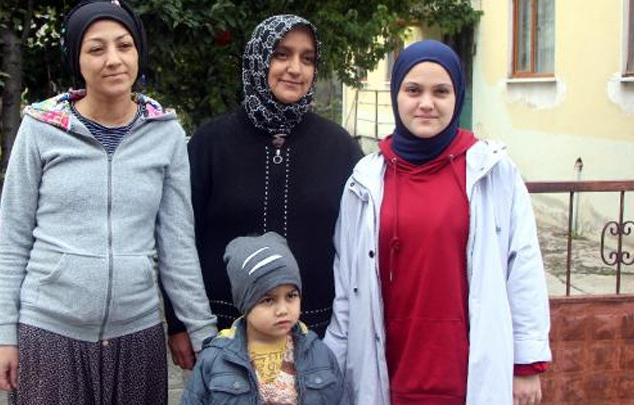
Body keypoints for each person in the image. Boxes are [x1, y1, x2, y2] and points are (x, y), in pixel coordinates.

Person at [0, 1, 216, 404]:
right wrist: (4, 335)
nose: (113, 60)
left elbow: (178, 246)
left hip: (137, 336)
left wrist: (203, 334)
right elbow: (14, 240)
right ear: (77, 59)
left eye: (124, 46)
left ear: (138, 52)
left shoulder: (164, 134)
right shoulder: (41, 128)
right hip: (49, 333)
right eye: (96, 49)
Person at [323, 40, 552, 405]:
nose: (426, 103)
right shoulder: (365, 180)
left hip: (467, 372)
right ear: (397, 95)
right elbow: (347, 282)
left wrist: (526, 362)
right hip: (387, 368)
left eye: (441, 91)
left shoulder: (493, 171)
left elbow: (522, 266)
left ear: (457, 96)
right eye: (414, 90)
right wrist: (334, 361)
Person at [162, 14, 363, 370]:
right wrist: (179, 324)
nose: (295, 68)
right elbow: (178, 238)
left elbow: (357, 246)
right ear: (259, 58)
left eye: (307, 58)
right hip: (223, 339)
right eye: (282, 54)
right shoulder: (210, 143)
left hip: (314, 341)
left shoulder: (339, 148)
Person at [181, 232, 350, 405]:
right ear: (245, 303)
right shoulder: (216, 359)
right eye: (268, 300)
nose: (282, 310)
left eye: (291, 296)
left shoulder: (319, 354)